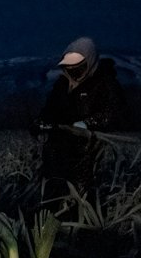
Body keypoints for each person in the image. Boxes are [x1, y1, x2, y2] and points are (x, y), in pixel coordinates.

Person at [37, 36, 128, 211]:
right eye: (68, 69)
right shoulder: (61, 85)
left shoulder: (105, 83)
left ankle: (82, 224)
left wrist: (85, 124)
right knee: (53, 190)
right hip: (58, 149)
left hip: (88, 150)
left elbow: (115, 113)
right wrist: (41, 122)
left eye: (77, 69)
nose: (72, 73)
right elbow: (50, 109)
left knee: (82, 194)